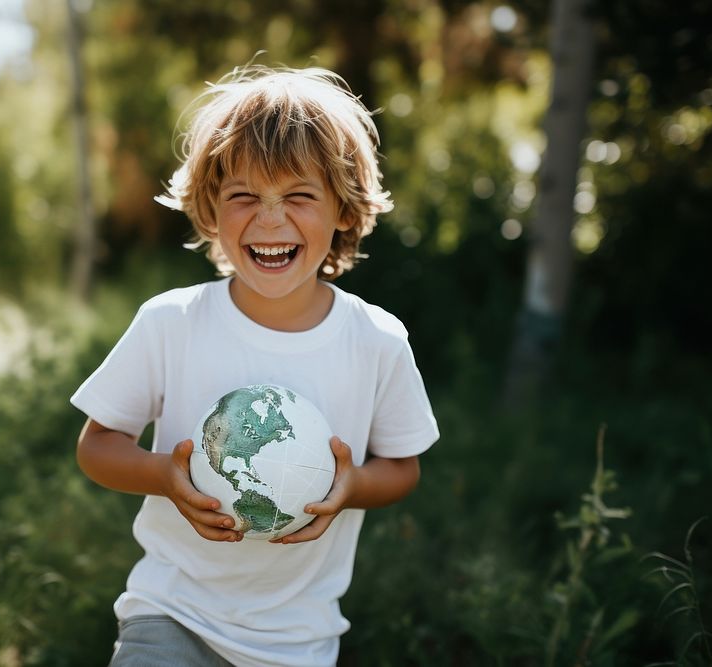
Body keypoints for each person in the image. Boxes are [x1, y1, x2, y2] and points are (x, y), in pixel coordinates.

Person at [71, 64, 439, 667]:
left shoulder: (376, 340)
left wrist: (352, 488)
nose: (270, 220)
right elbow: (97, 446)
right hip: (172, 611)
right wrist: (166, 475)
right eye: (244, 196)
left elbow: (402, 467)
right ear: (211, 210)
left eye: (298, 196)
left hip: (297, 640)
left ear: (344, 209)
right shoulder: (172, 323)